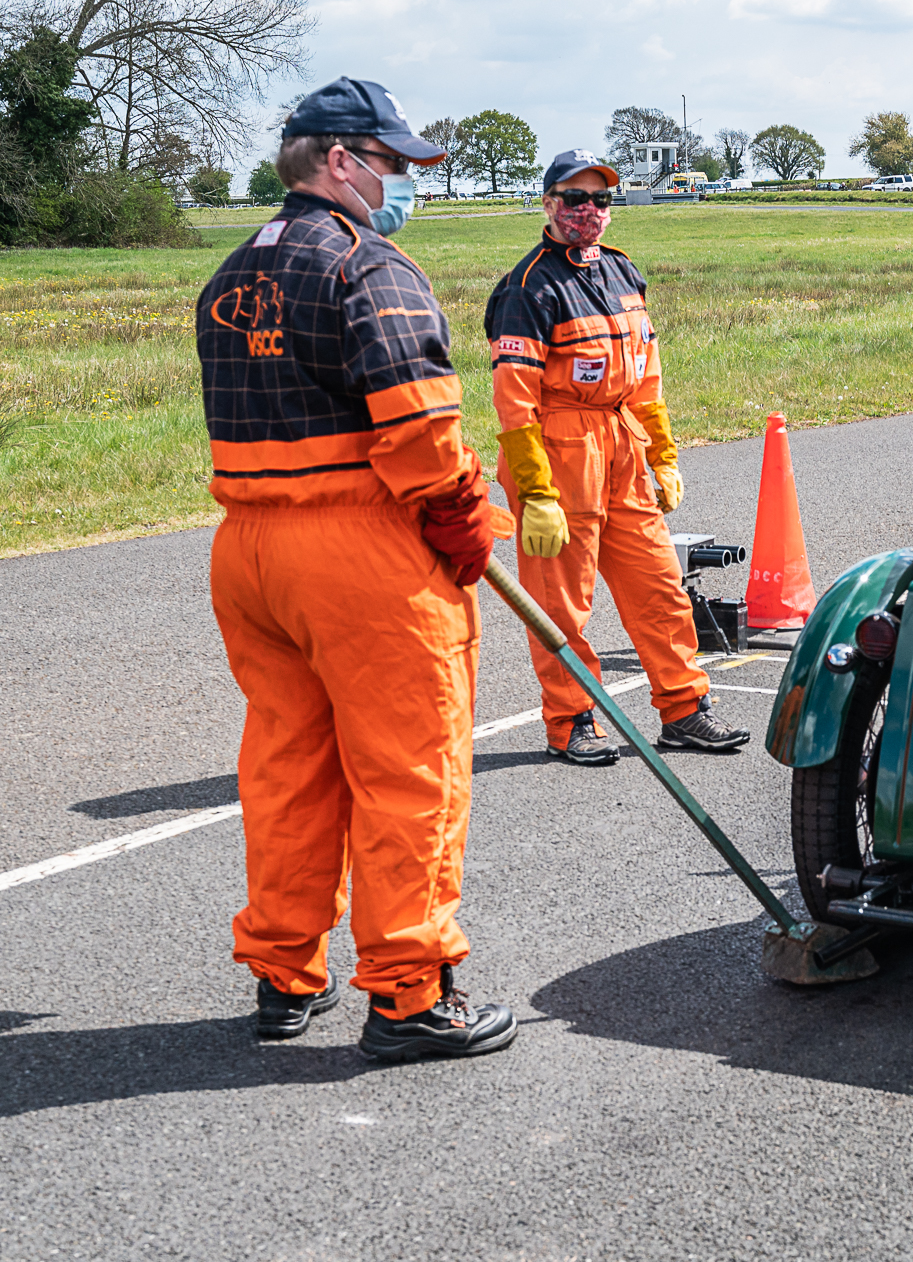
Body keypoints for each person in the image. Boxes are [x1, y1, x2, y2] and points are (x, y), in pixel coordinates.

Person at [197, 76, 515, 1061]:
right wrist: (466, 520)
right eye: (392, 164)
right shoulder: (369, 268)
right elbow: (421, 429)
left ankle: (284, 972)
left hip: (248, 547)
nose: (401, 184)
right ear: (340, 160)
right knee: (408, 774)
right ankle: (412, 995)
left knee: (287, 768)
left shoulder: (229, 274)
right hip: (358, 550)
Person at [486, 148, 750, 763]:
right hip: (558, 454)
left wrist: (663, 454)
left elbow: (647, 378)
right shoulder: (526, 289)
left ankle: (685, 711)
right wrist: (536, 492)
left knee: (659, 588)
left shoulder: (624, 272)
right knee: (561, 604)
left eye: (601, 198)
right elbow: (514, 403)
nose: (590, 211)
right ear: (549, 204)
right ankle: (574, 719)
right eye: (575, 199)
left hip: (622, 444)